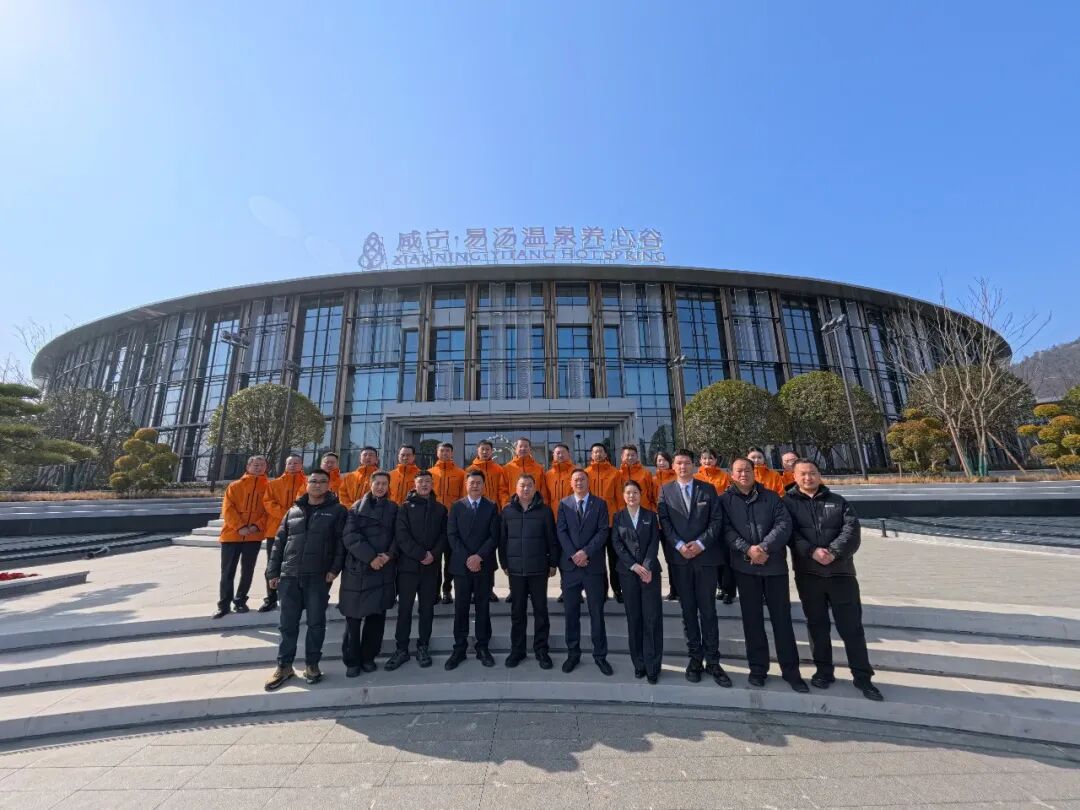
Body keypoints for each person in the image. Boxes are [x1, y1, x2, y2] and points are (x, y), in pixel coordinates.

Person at [785, 459, 882, 701]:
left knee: (851, 628)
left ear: (819, 475)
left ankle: (862, 676)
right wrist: (812, 551)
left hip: (841, 573)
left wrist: (833, 552)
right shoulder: (787, 503)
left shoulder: (838, 501)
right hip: (809, 574)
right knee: (817, 626)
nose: (808, 478)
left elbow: (851, 531)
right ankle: (824, 672)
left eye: (812, 473)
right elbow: (789, 533)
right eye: (802, 474)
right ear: (794, 477)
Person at [722, 458, 808, 692]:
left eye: (747, 470)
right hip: (745, 568)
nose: (743, 474)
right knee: (752, 621)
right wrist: (747, 549)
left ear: (754, 472)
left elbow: (783, 525)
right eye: (739, 471)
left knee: (782, 621)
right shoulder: (725, 501)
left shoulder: (772, 497)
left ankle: (791, 672)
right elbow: (726, 530)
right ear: (731, 474)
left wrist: (764, 548)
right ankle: (758, 669)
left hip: (774, 567)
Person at [263, 468, 346, 691]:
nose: (317, 485)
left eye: (322, 481)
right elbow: (279, 543)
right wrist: (272, 572)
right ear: (307, 484)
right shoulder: (293, 511)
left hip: (317, 576)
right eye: (314, 481)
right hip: (290, 576)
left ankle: (312, 664)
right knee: (287, 625)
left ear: (329, 485)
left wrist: (334, 569)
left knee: (316, 623)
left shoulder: (337, 511)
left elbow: (341, 544)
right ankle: (284, 666)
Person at [657, 449, 731, 687]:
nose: (682, 467)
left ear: (694, 465)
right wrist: (679, 545)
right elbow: (665, 521)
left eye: (687, 463)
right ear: (673, 466)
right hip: (680, 560)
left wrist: (700, 544)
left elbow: (716, 520)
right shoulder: (665, 490)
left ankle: (713, 661)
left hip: (705, 558)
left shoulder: (707, 489)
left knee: (708, 611)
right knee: (688, 611)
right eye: (678, 463)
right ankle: (695, 659)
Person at [386, 469, 447, 671]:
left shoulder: (440, 509)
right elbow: (401, 536)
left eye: (428, 481)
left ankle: (423, 647)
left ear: (432, 484)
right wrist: (420, 554)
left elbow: (444, 536)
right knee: (405, 609)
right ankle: (401, 649)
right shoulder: (404, 508)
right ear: (415, 485)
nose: (424, 485)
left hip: (430, 568)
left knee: (427, 609)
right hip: (408, 568)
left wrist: (433, 554)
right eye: (421, 482)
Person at [339, 471, 398, 676]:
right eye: (377, 483)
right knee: (353, 618)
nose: (380, 487)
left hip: (383, 568)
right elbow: (350, 536)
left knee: (376, 616)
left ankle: (368, 657)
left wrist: (388, 555)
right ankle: (352, 660)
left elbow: (398, 535)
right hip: (359, 568)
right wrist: (371, 557)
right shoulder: (356, 508)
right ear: (370, 485)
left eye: (384, 484)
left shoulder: (394, 508)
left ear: (388, 486)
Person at [556, 468, 612, 676]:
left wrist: (586, 552)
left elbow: (603, 531)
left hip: (593, 566)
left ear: (589, 482)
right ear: (570, 483)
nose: (579, 482)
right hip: (570, 568)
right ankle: (573, 654)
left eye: (582, 479)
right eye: (575, 480)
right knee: (571, 614)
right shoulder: (564, 504)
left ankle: (600, 656)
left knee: (596, 613)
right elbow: (561, 531)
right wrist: (574, 554)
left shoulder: (600, 504)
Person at [498, 474, 558, 670]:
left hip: (538, 569)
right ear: (516, 488)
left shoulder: (545, 511)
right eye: (522, 485)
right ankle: (518, 650)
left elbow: (552, 539)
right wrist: (504, 563)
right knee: (517, 612)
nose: (525, 489)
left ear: (535, 488)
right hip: (516, 571)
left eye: (529, 486)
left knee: (541, 611)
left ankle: (541, 650)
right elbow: (502, 540)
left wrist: (553, 563)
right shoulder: (507, 511)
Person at [445, 470, 500, 669]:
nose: (475, 485)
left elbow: (494, 536)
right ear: (466, 485)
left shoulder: (491, 506)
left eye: (478, 482)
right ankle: (459, 648)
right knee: (461, 607)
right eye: (472, 483)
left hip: (483, 565)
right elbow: (452, 535)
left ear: (484, 486)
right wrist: (468, 558)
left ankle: (482, 646)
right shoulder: (456, 506)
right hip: (462, 566)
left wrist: (479, 557)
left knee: (482, 607)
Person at [612, 480, 663, 684]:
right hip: (628, 573)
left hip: (649, 574)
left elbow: (654, 542)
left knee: (652, 619)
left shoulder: (650, 516)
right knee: (634, 619)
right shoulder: (618, 517)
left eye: (635, 492)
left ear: (641, 494)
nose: (631, 496)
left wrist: (647, 566)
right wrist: (633, 566)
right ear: (623, 496)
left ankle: (653, 666)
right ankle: (639, 664)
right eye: (628, 493)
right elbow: (617, 543)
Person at [214, 455, 270, 620]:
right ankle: (224, 604)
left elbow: (268, 510)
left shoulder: (268, 487)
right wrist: (240, 527)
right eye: (255, 465)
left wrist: (255, 527)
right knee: (227, 572)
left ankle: (240, 600)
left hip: (254, 536)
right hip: (232, 535)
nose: (259, 468)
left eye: (262, 465)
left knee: (248, 571)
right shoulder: (235, 486)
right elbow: (228, 509)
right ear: (248, 466)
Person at [258, 454, 307, 612]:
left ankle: (298, 597)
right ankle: (271, 598)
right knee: (273, 564)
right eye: (290, 463)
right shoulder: (273, 484)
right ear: (285, 465)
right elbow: (268, 503)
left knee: (298, 565)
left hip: (299, 531)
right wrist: (287, 514)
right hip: (276, 530)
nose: (293, 465)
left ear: (301, 465)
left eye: (296, 463)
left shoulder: (307, 483)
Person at [584, 443, 622, 603]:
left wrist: (621, 520)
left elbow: (620, 498)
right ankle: (601, 591)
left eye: (600, 451)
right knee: (596, 560)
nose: (598, 454)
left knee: (615, 559)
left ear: (606, 454)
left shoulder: (615, 473)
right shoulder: (586, 473)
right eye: (595, 452)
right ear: (591, 455)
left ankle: (618, 590)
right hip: (593, 524)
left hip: (612, 522)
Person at [429, 442, 466, 605]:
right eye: (442, 451)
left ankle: (447, 590)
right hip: (434, 522)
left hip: (453, 522)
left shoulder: (461, 473)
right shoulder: (430, 473)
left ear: (452, 453)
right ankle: (434, 591)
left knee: (450, 559)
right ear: (437, 453)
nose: (444, 453)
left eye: (447, 451)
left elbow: (464, 499)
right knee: (435, 558)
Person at [653, 451, 679, 601]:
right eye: (659, 460)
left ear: (670, 462)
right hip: (659, 525)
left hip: (675, 524)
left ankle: (680, 588)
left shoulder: (676, 478)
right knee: (668, 558)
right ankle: (673, 589)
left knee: (677, 558)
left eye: (664, 460)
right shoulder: (653, 480)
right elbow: (650, 499)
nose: (661, 463)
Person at [503, 437, 550, 505]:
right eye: (520, 446)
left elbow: (543, 490)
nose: (523, 449)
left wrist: (544, 505)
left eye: (526, 446)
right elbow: (503, 489)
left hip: (535, 505)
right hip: (514, 505)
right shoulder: (507, 468)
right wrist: (506, 504)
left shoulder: (539, 468)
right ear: (516, 449)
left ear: (530, 449)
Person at [468, 440, 509, 509]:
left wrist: (504, 506)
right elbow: (466, 491)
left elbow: (502, 490)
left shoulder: (499, 469)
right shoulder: (470, 470)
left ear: (491, 451)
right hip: (477, 508)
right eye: (482, 449)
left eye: (487, 449)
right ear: (477, 450)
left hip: (495, 508)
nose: (485, 452)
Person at [619, 445, 657, 511]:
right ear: (622, 457)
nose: (630, 457)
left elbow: (652, 495)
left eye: (633, 455)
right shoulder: (617, 475)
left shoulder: (646, 474)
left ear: (637, 456)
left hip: (644, 511)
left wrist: (653, 511)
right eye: (627, 455)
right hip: (624, 512)